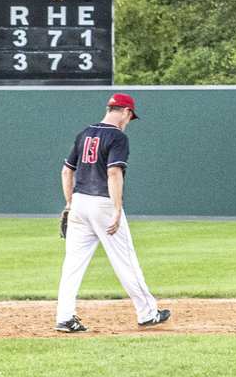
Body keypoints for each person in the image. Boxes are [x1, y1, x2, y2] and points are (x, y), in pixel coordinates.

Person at [55, 93, 170, 333]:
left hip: (79, 202)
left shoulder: (84, 133)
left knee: (72, 264)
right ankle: (148, 313)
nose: (129, 121)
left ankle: (65, 318)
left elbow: (67, 172)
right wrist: (117, 209)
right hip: (103, 205)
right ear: (125, 112)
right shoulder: (118, 137)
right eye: (130, 116)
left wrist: (69, 203)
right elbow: (113, 173)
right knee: (125, 261)